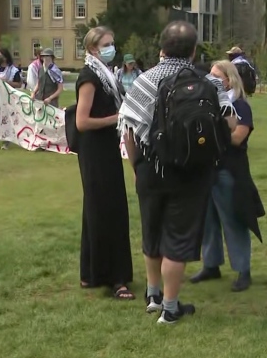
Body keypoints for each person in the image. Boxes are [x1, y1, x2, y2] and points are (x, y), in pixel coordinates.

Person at [119, 21, 237, 324]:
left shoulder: (144, 81)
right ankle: (170, 308)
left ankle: (154, 294)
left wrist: (137, 168)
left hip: (150, 168)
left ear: (162, 48)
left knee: (153, 230)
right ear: (194, 50)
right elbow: (230, 123)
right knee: (178, 237)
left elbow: (129, 131)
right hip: (192, 171)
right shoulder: (209, 83)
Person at [189, 60, 264, 292]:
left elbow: (237, 137)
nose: (210, 80)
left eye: (215, 76)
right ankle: (211, 265)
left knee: (233, 221)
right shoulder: (208, 104)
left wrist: (211, 129)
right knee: (208, 221)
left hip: (229, 171)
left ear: (228, 80)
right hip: (207, 170)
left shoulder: (240, 106)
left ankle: (243, 270)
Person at [74, 26, 135, 301]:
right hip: (95, 149)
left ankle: (91, 271)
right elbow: (82, 121)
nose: (112, 48)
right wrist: (117, 118)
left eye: (113, 42)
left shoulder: (106, 75)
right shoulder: (90, 78)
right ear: (93, 49)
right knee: (107, 208)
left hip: (105, 147)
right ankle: (115, 277)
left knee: (97, 207)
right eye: (106, 44)